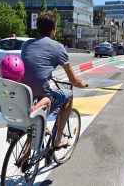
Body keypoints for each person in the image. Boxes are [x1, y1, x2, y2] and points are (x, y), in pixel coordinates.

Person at [21, 11, 88, 149]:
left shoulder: (26, 45)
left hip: (24, 94)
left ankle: (27, 151)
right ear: (54, 29)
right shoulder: (58, 47)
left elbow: (34, 67)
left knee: (38, 99)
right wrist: (83, 83)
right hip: (42, 94)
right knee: (69, 95)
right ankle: (58, 140)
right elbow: (73, 79)